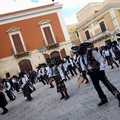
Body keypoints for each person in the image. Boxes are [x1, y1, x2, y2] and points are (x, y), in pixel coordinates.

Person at [73, 42, 120, 107]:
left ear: (84, 49)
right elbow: (83, 67)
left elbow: (101, 60)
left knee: (108, 85)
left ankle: (118, 97)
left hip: (99, 71)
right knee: (97, 87)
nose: (79, 52)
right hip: (91, 74)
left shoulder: (93, 52)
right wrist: (83, 74)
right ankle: (103, 99)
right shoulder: (81, 57)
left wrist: (102, 69)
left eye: (80, 50)